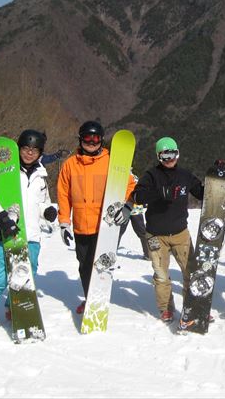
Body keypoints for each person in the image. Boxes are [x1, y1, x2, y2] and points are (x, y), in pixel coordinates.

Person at [0, 130, 57, 338]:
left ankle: (15, 306)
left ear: (40, 152)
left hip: (31, 236)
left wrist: (46, 211)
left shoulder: (41, 176)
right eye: (26, 148)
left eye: (34, 150)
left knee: (27, 275)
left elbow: (40, 203)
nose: (29, 153)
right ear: (18, 149)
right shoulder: (3, 171)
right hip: (6, 233)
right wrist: (1, 217)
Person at [57, 121, 135, 314]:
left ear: (101, 140)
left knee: (100, 265)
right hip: (81, 226)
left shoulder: (112, 162)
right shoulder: (70, 165)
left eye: (96, 138)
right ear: (80, 139)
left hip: (105, 226)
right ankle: (90, 298)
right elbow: (63, 195)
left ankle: (98, 298)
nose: (91, 142)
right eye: (87, 138)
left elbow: (130, 186)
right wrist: (64, 222)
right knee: (84, 266)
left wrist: (127, 206)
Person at [132, 137, 204, 323]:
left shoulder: (185, 175)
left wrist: (217, 177)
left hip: (180, 233)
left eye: (172, 154)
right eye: (165, 156)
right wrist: (159, 193)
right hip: (156, 235)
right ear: (158, 157)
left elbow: (202, 193)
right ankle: (166, 308)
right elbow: (137, 196)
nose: (169, 159)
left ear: (178, 154)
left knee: (191, 272)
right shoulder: (151, 175)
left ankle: (193, 306)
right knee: (161, 275)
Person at [117, 170, 150, 259]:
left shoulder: (128, 176)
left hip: (132, 206)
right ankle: (148, 254)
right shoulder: (130, 176)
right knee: (120, 230)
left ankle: (148, 253)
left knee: (140, 231)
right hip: (129, 206)